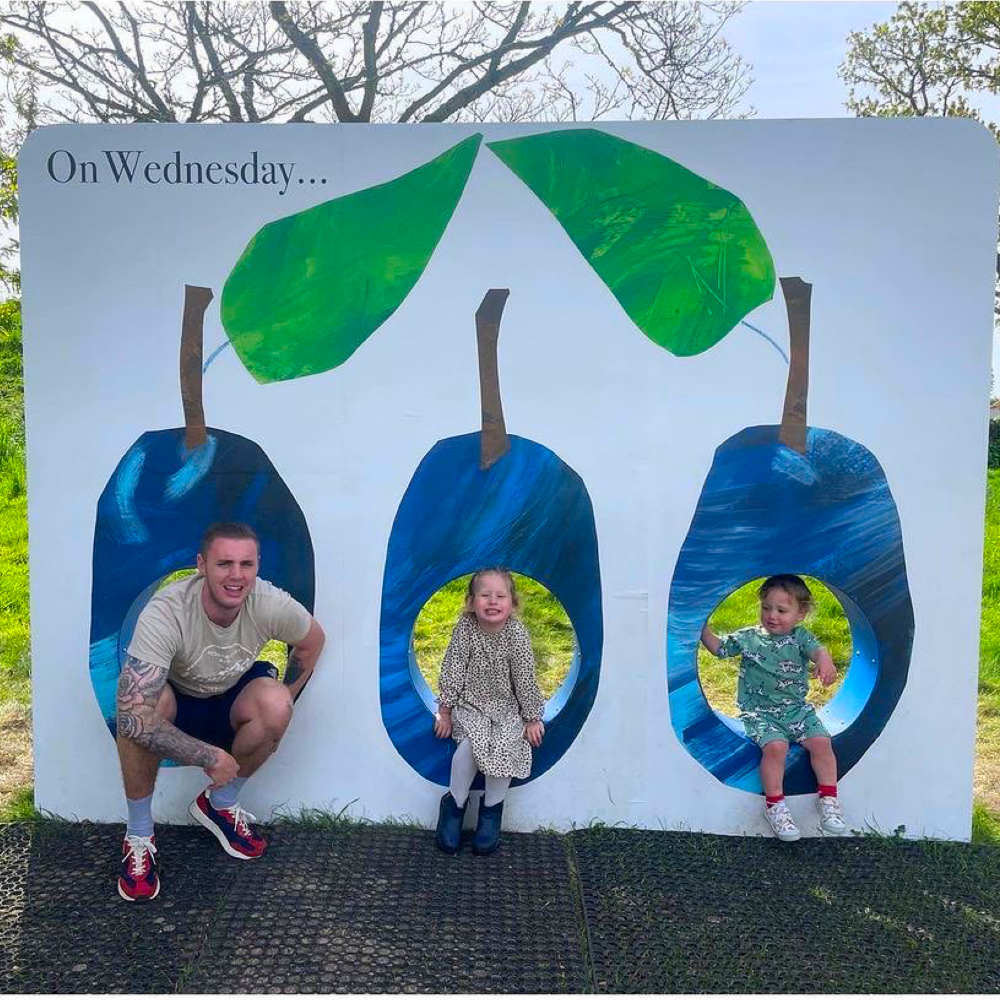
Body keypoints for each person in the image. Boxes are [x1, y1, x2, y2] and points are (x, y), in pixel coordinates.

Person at [115, 521, 325, 902]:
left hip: (231, 696)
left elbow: (312, 642)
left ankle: (221, 803)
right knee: (141, 709)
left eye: (246, 564)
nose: (236, 576)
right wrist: (208, 757)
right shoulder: (167, 611)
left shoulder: (269, 602)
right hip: (178, 702)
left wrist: (287, 699)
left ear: (258, 565)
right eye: (224, 564)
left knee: (276, 702)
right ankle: (139, 835)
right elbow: (133, 717)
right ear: (201, 565)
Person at [700, 573, 847, 842]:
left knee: (821, 742)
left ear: (800, 614)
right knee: (776, 747)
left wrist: (825, 662)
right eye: (766, 607)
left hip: (796, 710)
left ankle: (828, 799)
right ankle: (775, 806)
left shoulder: (801, 637)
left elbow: (818, 651)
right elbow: (719, 649)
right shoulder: (749, 637)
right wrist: (701, 628)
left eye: (782, 610)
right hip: (760, 713)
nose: (772, 615)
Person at [432, 568, 545, 855]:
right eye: (485, 595)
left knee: (507, 744)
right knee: (471, 746)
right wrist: (444, 710)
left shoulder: (516, 634)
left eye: (500, 596)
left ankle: (491, 812)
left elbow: (524, 677)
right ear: (471, 602)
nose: (492, 601)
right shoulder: (466, 628)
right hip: (471, 705)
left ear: (512, 603)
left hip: (506, 708)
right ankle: (454, 807)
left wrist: (531, 717)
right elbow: (453, 669)